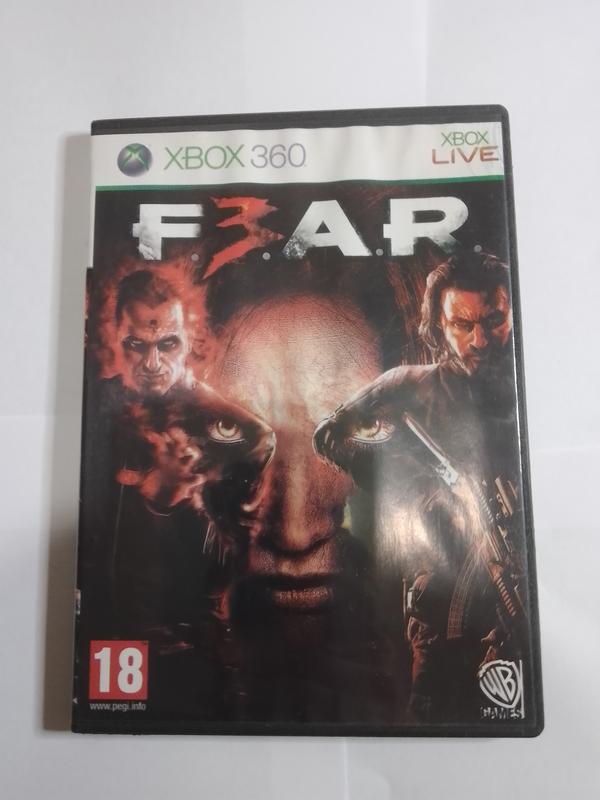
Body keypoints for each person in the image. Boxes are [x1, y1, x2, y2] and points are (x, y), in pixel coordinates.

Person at [115, 269, 193, 397]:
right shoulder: (99, 394)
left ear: (189, 342)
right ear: (117, 340)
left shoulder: (213, 407)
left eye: (168, 344)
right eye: (136, 344)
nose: (152, 365)